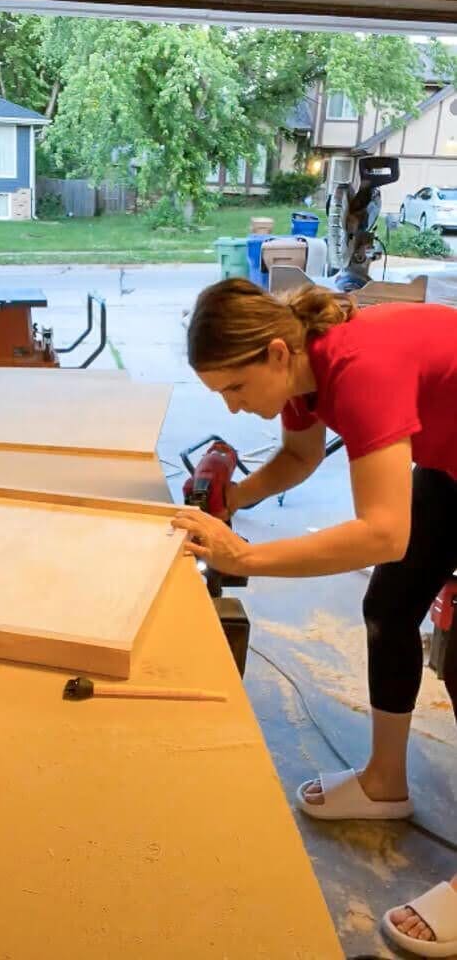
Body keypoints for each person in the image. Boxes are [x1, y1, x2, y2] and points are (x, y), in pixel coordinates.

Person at [171, 278, 457, 957]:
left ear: (273, 354)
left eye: (234, 390)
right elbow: (300, 458)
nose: (233, 412)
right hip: (451, 463)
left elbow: (382, 532)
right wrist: (231, 498)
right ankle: (384, 783)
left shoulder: (357, 369)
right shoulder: (302, 367)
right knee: (390, 603)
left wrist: (248, 555)